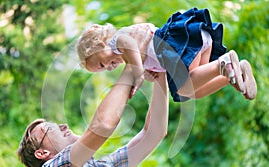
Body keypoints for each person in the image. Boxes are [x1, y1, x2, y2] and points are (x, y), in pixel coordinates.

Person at [17, 65, 169, 167]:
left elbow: (154, 133)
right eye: (51, 128)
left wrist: (159, 71)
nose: (63, 126)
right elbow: (103, 125)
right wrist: (131, 66)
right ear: (42, 153)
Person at [76, 7, 257, 102]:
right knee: (192, 93)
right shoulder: (128, 56)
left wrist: (138, 75)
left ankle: (223, 63)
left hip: (177, 41)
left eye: (101, 63)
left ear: (100, 45)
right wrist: (148, 73)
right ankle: (233, 74)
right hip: (193, 42)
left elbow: (130, 44)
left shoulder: (117, 41)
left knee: (183, 88)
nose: (108, 67)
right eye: (104, 70)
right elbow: (145, 59)